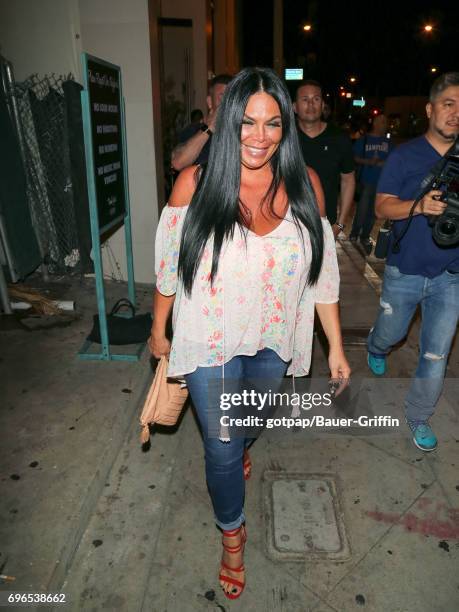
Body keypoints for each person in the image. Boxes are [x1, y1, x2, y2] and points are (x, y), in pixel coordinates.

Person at [150, 67, 351, 599]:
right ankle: (232, 535)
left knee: (252, 422)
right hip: (209, 338)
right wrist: (157, 331)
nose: (259, 136)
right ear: (226, 120)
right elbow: (169, 266)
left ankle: (242, 447)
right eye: (247, 122)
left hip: (273, 338)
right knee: (221, 447)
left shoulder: (306, 185)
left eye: (272, 123)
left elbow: (322, 273)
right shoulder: (194, 182)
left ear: (284, 127)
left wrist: (334, 346)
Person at [367, 72, 459, 451]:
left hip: (450, 276)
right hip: (404, 271)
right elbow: (381, 206)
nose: (456, 113)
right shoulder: (404, 155)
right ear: (429, 109)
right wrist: (418, 206)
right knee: (392, 333)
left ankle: (418, 415)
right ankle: (376, 345)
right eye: (449, 104)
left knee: (435, 354)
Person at [293, 79, 356, 237]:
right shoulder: (285, 138)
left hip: (325, 226)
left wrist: (340, 224)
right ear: (294, 107)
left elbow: (348, 180)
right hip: (289, 224)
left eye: (316, 99)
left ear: (322, 105)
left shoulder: (339, 138)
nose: (311, 104)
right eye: (305, 99)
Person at [171, 74, 232, 170]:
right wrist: (208, 128)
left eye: (232, 99)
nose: (227, 104)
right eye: (222, 98)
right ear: (209, 102)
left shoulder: (244, 131)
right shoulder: (194, 130)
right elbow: (178, 162)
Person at [350, 114, 391, 254]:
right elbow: (353, 158)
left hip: (382, 183)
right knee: (362, 209)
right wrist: (368, 162)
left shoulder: (388, 142)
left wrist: (383, 163)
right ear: (374, 122)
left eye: (385, 122)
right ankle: (354, 233)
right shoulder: (364, 139)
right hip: (366, 180)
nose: (384, 124)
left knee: (374, 211)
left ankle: (365, 235)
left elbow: (395, 160)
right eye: (381, 121)